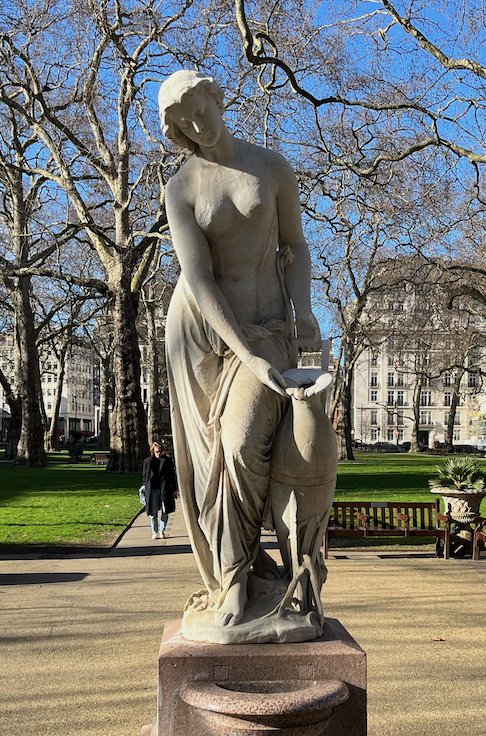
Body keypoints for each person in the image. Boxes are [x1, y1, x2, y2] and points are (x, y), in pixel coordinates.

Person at [159, 70, 320, 626]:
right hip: (203, 334)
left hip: (268, 328)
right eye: (181, 123)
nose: (196, 126)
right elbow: (198, 279)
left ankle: (259, 568)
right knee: (217, 459)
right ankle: (235, 578)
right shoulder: (179, 188)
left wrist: (304, 314)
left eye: (198, 109)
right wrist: (242, 354)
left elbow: (295, 248)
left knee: (242, 438)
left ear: (216, 95)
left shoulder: (272, 167)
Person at [142, 441, 178, 540]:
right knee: (153, 512)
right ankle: (154, 531)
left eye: (160, 451)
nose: (159, 453)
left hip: (165, 489)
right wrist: (144, 487)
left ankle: (162, 530)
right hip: (152, 489)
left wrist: (174, 489)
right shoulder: (148, 461)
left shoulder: (168, 461)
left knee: (165, 510)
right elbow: (145, 476)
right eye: (157, 451)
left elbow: (172, 476)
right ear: (153, 450)